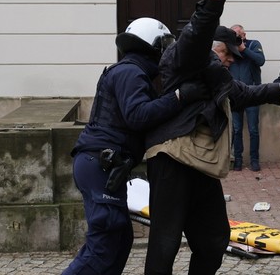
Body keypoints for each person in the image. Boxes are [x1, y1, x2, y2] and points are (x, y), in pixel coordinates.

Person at [144, 0, 280, 275]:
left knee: (214, 238)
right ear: (212, 48)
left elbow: (245, 93)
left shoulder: (218, 76)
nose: (232, 59)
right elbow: (195, 37)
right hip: (172, 158)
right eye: (227, 53)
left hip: (200, 163)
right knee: (165, 243)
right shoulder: (186, 58)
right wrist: (212, 4)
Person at [63, 16, 207, 275]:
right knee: (105, 240)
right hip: (101, 163)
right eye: (163, 44)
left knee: (119, 239)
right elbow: (138, 115)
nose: (166, 51)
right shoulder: (130, 72)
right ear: (150, 45)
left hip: (105, 164)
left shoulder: (132, 71)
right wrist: (179, 97)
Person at [230, 23, 266, 171]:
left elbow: (261, 60)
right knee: (237, 129)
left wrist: (244, 49)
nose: (236, 38)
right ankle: (237, 159)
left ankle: (254, 160)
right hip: (235, 94)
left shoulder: (253, 44)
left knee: (253, 129)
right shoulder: (229, 49)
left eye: (238, 34)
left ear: (244, 35)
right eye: (233, 35)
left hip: (252, 93)